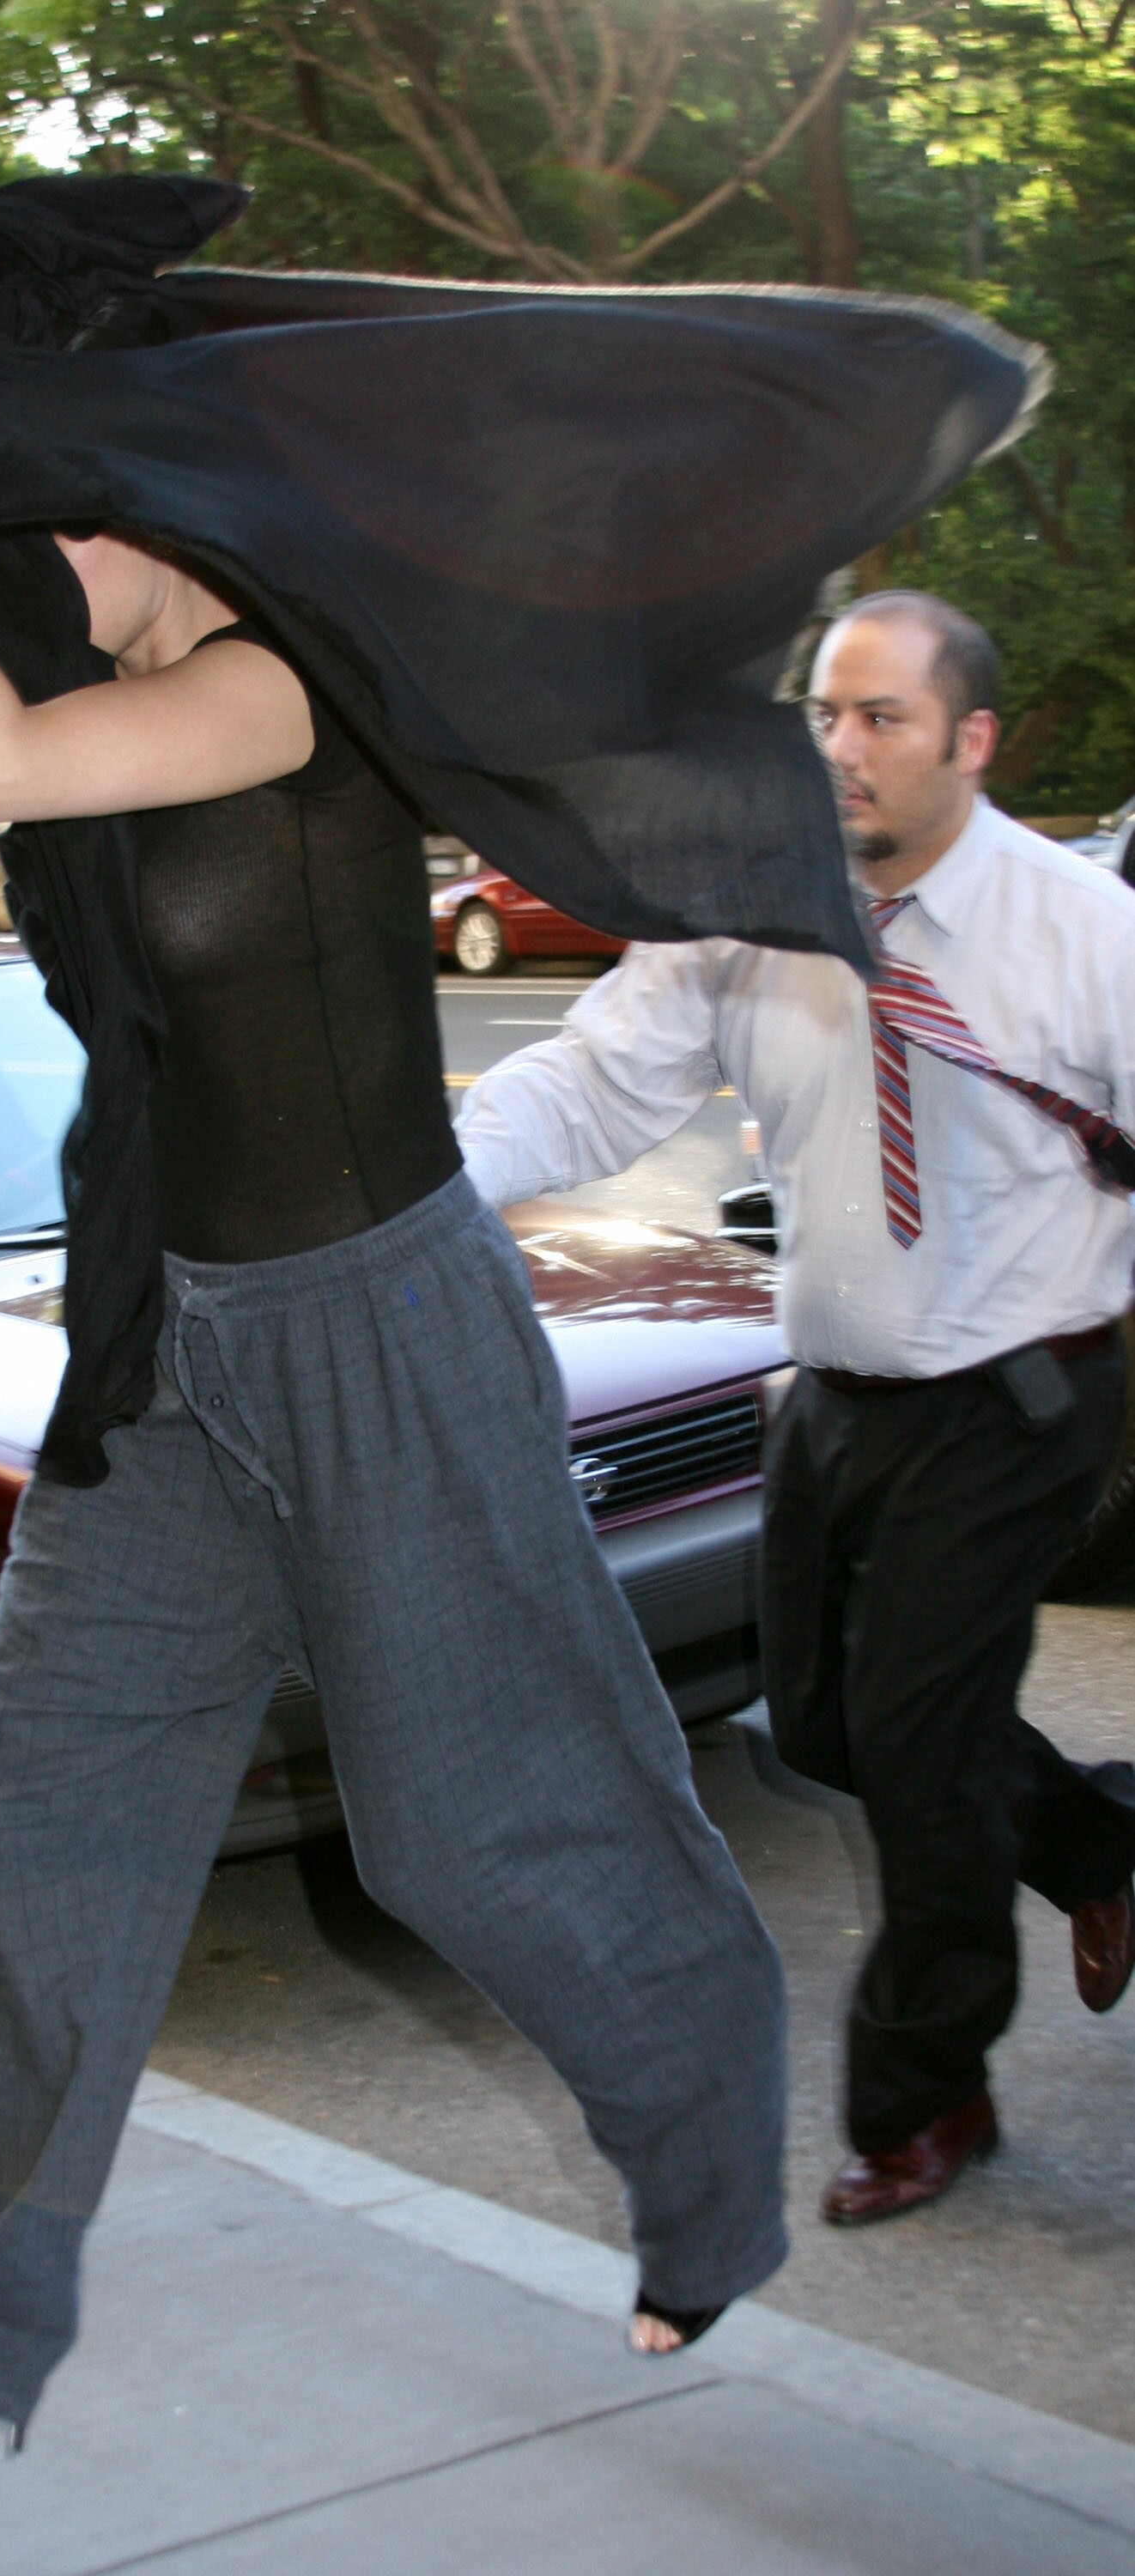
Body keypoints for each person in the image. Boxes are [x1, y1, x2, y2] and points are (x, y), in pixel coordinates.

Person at [0, 305, 791, 2476]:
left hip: (376, 1327)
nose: (3, 567)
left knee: (470, 1831)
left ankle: (708, 2156)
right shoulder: (90, 679)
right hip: (174, 1343)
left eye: (16, 524)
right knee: (34, 1804)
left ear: (122, 497)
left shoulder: (283, 675)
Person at [458, 589, 1135, 2233]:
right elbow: (598, 1077)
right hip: (832, 1386)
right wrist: (432, 1177)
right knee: (822, 1726)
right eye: (822, 715)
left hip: (1021, 1393)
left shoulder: (1081, 932)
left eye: (879, 718)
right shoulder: (747, 905)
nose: (837, 748)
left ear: (971, 743)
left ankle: (923, 2094)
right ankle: (1098, 1847)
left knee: (915, 1746)